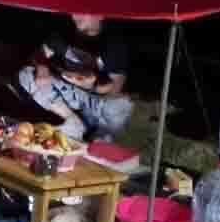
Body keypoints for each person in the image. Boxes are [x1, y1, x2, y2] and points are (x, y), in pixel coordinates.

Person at [17, 13, 134, 141]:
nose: (74, 16)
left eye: (82, 11)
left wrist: (93, 86)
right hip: (70, 93)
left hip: (94, 100)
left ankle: (100, 140)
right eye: (74, 11)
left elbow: (114, 89)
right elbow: (40, 54)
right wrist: (43, 70)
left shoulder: (114, 44)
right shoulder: (64, 33)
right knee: (27, 74)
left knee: (120, 106)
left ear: (100, 15)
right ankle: (73, 122)